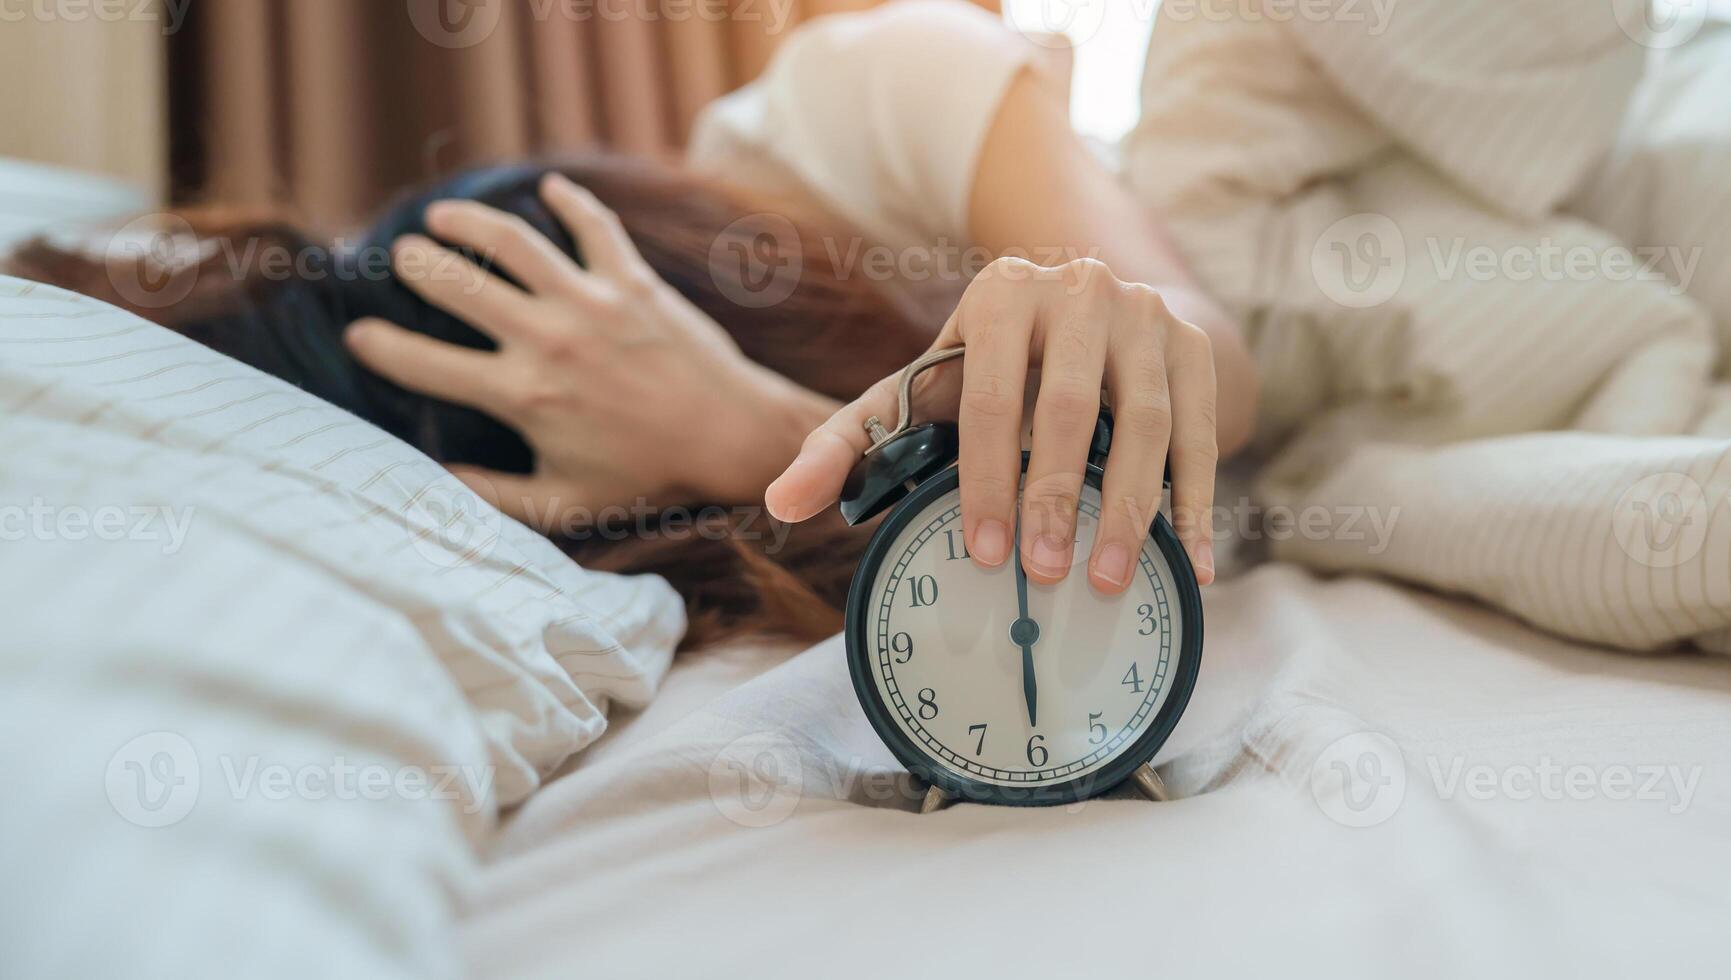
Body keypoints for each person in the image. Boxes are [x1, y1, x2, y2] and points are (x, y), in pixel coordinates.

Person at [5, 0, 1256, 648]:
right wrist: (752, 445)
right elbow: (1088, 554)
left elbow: (1215, 376)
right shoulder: (579, 523)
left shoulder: (877, 91)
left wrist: (752, 426)